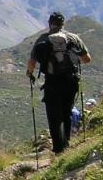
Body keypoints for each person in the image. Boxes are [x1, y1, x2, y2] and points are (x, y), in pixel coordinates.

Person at [27, 12, 92, 154]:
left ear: (50, 23)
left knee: (54, 116)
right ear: (63, 24)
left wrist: (29, 73)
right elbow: (87, 58)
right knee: (66, 113)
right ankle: (66, 145)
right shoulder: (72, 38)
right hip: (71, 81)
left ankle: (58, 149)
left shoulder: (43, 39)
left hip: (52, 83)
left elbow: (32, 62)